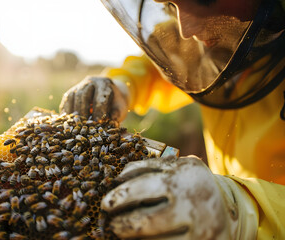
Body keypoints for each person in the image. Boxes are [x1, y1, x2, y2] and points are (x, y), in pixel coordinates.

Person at [60, 0, 285, 239]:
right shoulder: (210, 36)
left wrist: (245, 213)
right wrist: (122, 86)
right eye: (170, 3)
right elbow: (167, 55)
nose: (186, 29)